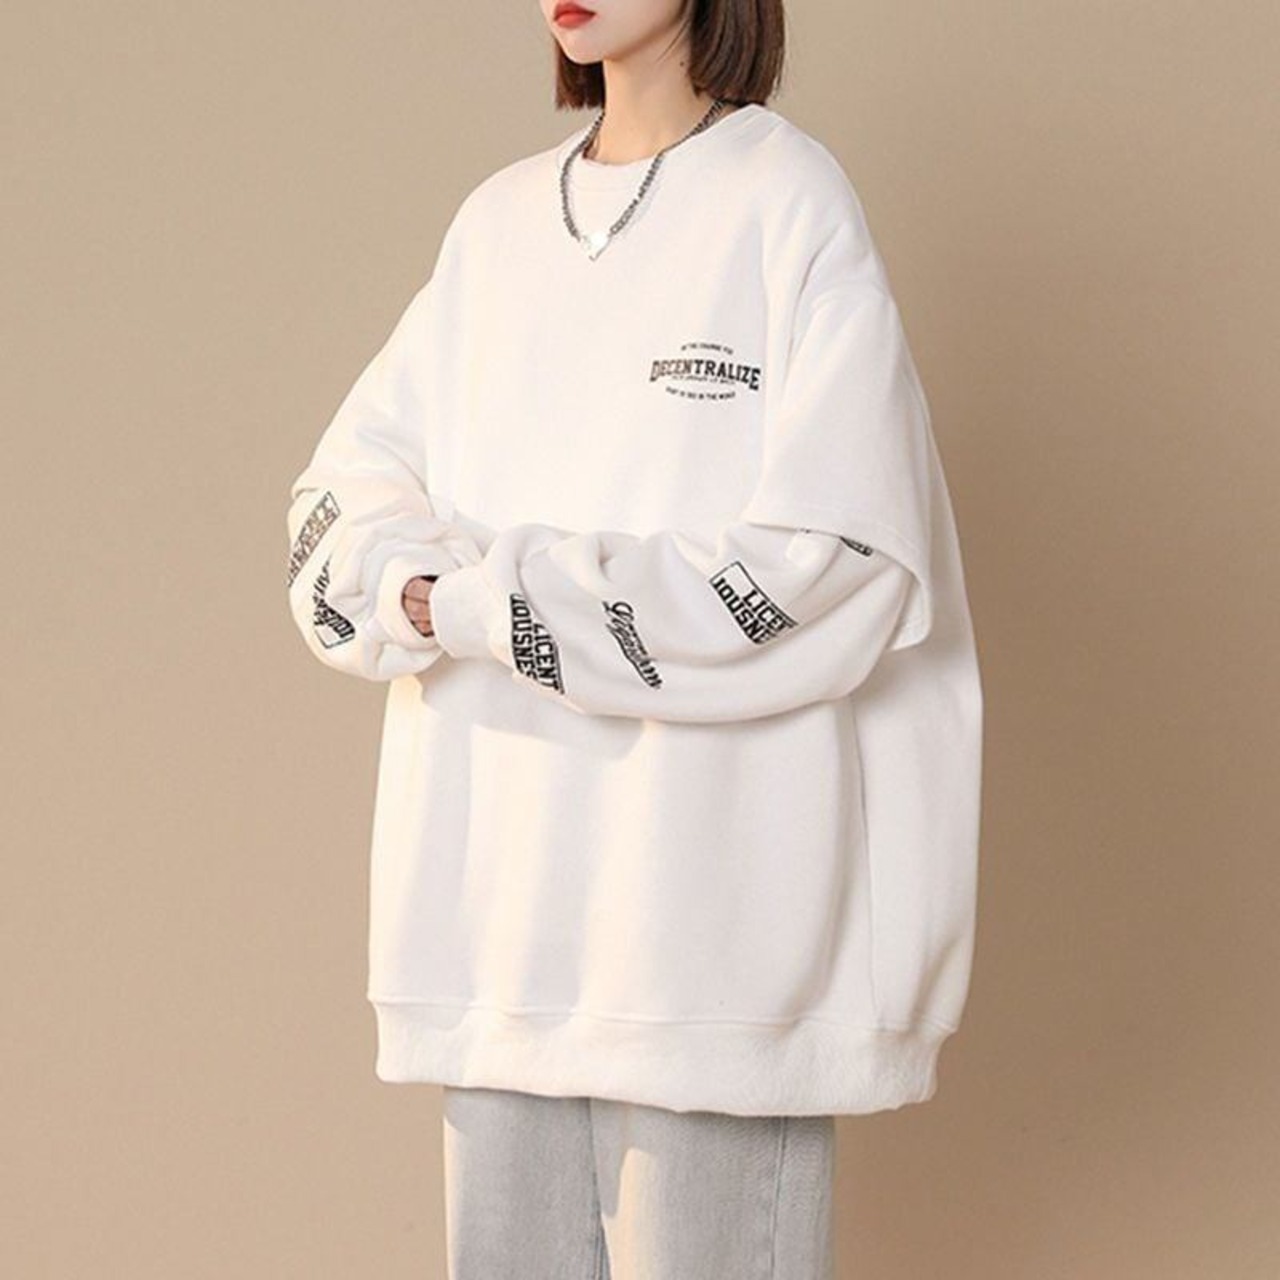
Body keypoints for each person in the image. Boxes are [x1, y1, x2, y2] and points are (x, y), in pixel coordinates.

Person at [283, 1, 984, 1275]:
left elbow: (832, 567)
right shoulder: (495, 226)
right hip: (492, 927)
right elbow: (340, 508)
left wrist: (494, 603)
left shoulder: (784, 200)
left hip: (711, 948)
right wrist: (428, 597)